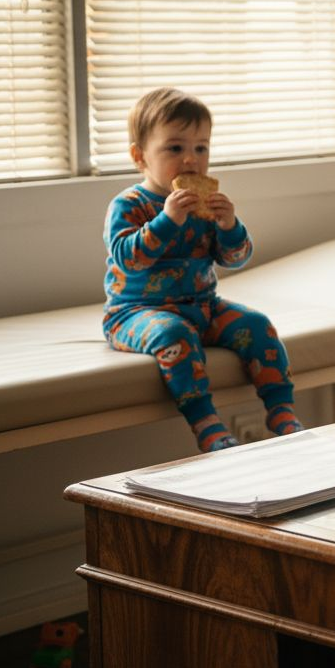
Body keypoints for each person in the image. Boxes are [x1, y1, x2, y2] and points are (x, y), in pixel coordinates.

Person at [101, 87, 302, 452]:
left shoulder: (205, 205)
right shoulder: (129, 204)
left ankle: (281, 409)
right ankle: (206, 422)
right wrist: (167, 219)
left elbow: (236, 258)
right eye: (175, 148)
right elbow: (127, 259)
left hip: (203, 307)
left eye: (201, 148)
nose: (190, 160)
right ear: (139, 156)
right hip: (134, 312)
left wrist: (229, 226)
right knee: (174, 335)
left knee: (256, 324)